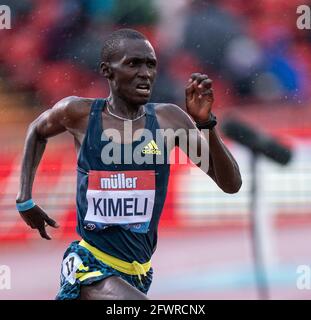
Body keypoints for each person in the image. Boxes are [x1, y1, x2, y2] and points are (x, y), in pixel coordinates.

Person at [16, 28, 242, 300]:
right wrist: (24, 200)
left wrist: (206, 124)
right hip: (90, 267)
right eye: (133, 64)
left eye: (151, 65)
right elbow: (37, 130)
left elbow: (231, 184)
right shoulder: (80, 114)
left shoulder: (170, 120)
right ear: (107, 70)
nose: (145, 73)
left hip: (138, 273)